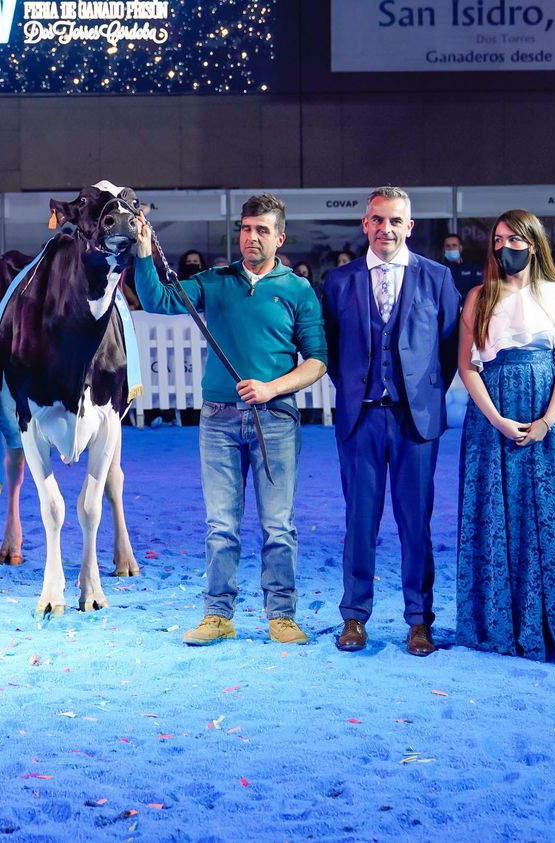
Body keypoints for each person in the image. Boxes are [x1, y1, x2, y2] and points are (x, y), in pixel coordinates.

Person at [133, 193, 328, 647]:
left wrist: (272, 388)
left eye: (262, 230)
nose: (251, 237)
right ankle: (217, 615)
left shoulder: (298, 290)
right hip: (217, 420)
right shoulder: (215, 281)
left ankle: (281, 616)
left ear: (280, 238)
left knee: (278, 526)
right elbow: (158, 299)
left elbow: (317, 360)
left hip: (275, 419)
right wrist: (144, 252)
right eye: (246, 229)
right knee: (220, 526)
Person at [322, 188, 460, 657]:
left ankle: (419, 621)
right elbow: (332, 351)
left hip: (414, 421)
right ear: (365, 224)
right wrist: (357, 389)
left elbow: (448, 350)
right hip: (359, 419)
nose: (386, 229)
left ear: (409, 226)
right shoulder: (338, 281)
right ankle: (354, 617)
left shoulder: (437, 278)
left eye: (395, 221)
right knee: (359, 520)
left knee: (415, 523)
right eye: (378, 220)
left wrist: (420, 394)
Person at [456, 209, 555, 662]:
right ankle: (494, 624)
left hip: (543, 417)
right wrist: (496, 419)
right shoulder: (479, 297)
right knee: (493, 515)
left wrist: (547, 420)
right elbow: (467, 366)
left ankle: (550, 624)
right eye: (498, 240)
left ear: (533, 245)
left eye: (514, 240)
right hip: (490, 418)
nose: (504, 247)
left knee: (544, 514)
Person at [441, 233, 484, 299]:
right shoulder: (439, 270)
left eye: (454, 245)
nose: (451, 248)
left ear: (460, 248)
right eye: (447, 246)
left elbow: (480, 292)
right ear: (444, 249)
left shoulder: (473, 269)